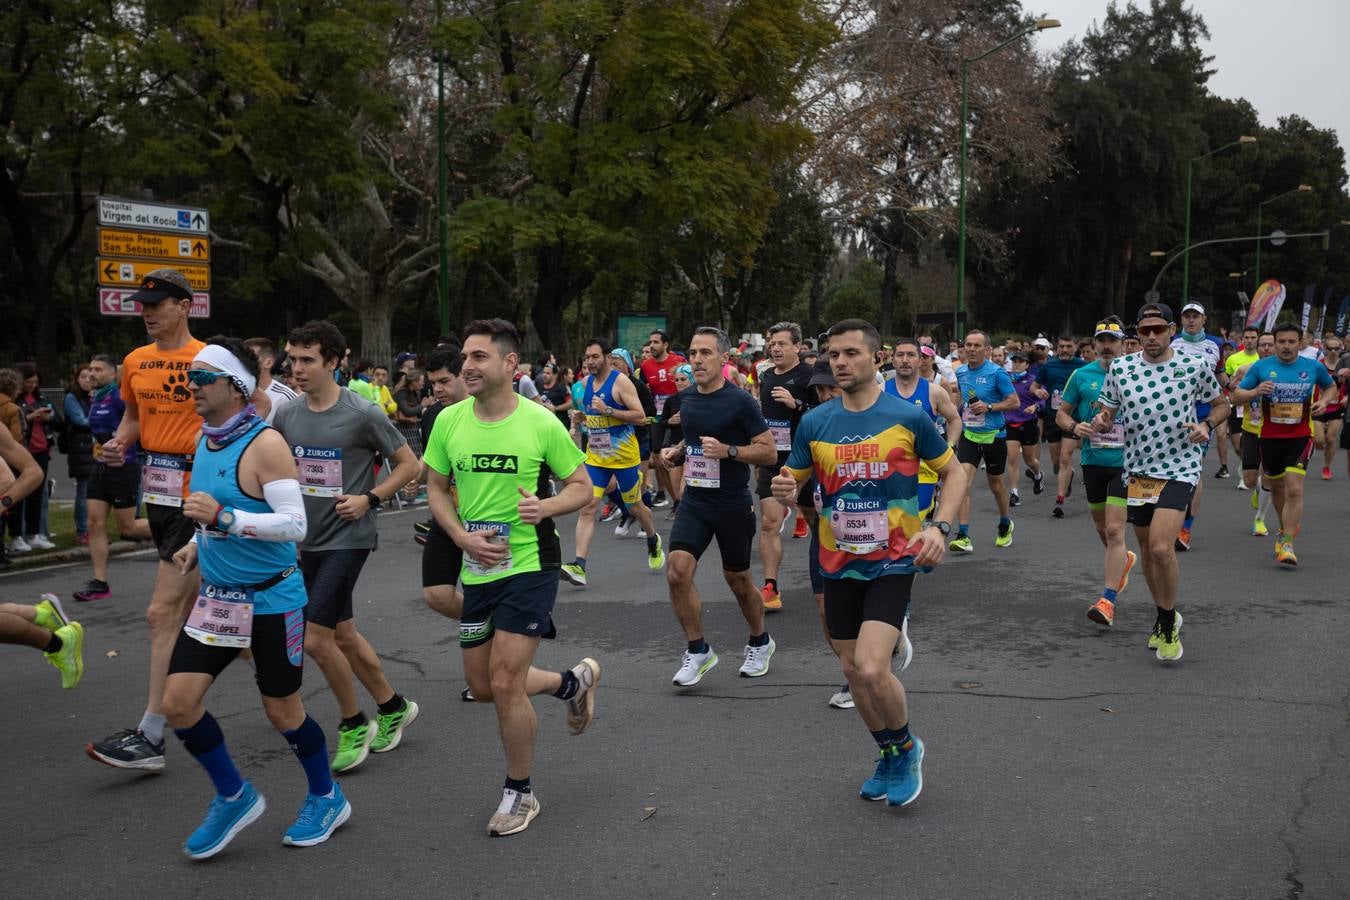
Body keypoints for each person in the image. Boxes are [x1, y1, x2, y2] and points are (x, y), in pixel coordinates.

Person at [163, 337, 349, 858]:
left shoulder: (264, 444)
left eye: (202, 378)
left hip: (271, 601)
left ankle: (327, 796)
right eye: (190, 377)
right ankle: (233, 795)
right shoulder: (207, 439)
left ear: (235, 386)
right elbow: (213, 511)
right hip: (219, 602)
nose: (190, 386)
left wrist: (223, 520)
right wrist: (198, 545)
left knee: (283, 712)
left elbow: (295, 525)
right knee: (178, 704)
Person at [772, 318, 967, 807]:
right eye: (833, 354)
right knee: (852, 671)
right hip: (836, 560)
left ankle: (907, 747)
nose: (839, 362)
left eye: (851, 353)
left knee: (872, 666)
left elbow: (956, 473)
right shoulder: (816, 423)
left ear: (875, 358)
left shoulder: (906, 417)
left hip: (894, 559)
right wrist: (783, 487)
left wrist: (940, 527)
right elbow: (792, 477)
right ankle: (889, 752)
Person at [423, 318, 601, 836]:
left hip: (530, 564)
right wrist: (460, 538)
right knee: (482, 688)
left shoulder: (540, 422)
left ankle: (519, 793)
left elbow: (582, 487)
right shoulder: (449, 420)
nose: (467, 366)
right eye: (465, 358)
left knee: (504, 682)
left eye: (479, 357)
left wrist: (545, 506)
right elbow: (435, 487)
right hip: (477, 566)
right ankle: (571, 683)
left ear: (509, 365)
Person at [276, 320, 421, 773]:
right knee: (343, 634)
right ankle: (393, 705)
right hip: (307, 541)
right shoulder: (286, 415)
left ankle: (354, 721)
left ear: (334, 363)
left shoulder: (363, 414)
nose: (296, 369)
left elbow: (409, 465)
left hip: (349, 536)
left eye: (307, 360)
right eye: (292, 359)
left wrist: (369, 498)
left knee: (315, 639)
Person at [86, 268, 209, 771]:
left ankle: (151, 735)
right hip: (156, 493)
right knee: (223, 616)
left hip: (195, 497)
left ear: (185, 305)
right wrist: (120, 442)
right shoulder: (134, 362)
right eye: (143, 307)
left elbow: (239, 417)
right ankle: (287, 671)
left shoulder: (208, 360)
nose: (148, 314)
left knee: (162, 614)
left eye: (158, 306)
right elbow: (134, 418)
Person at [1091, 303, 1226, 661]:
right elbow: (1107, 410)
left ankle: (1167, 623)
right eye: (1145, 331)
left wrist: (1206, 425)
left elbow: (1222, 404)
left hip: (1180, 466)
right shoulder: (1121, 368)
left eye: (1158, 330)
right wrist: (1103, 422)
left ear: (1170, 330)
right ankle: (1165, 612)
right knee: (1149, 552)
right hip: (1137, 469)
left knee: (1163, 547)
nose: (1151, 337)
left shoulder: (1194, 365)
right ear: (1138, 333)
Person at [653, 327, 777, 686]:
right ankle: (697, 650)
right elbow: (693, 444)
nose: (697, 360)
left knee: (737, 580)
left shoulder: (741, 401)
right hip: (695, 500)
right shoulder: (687, 399)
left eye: (705, 353)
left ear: (724, 359)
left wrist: (729, 451)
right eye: (693, 353)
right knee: (677, 572)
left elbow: (767, 451)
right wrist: (676, 454)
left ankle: (760, 640)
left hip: (732, 503)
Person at [559, 338, 664, 587]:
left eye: (595, 357)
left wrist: (609, 410)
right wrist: (581, 417)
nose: (590, 362)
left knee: (636, 507)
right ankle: (579, 566)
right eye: (587, 357)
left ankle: (652, 539)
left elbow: (640, 416)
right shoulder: (584, 384)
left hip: (624, 457)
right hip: (596, 457)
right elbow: (590, 418)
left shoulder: (621, 382)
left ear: (607, 357)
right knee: (588, 507)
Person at [1055, 319, 1138, 626]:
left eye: (1112, 341)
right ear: (1094, 344)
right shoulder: (1081, 375)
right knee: (1104, 530)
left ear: (1123, 344)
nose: (1106, 346)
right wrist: (1075, 426)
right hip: (1093, 461)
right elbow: (1062, 412)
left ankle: (1107, 600)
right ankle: (1123, 561)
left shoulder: (1136, 373)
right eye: (1101, 341)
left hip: (1127, 463)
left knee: (1116, 530)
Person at [1231, 324, 1336, 566]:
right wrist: (1256, 390)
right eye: (1282, 342)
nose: (1286, 346)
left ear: (1300, 343)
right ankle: (1282, 528)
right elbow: (1236, 396)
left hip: (1301, 436)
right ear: (1274, 343)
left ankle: (1288, 542)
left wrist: (1325, 400)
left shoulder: (1312, 367)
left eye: (1291, 342)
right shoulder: (1261, 367)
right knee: (1277, 488)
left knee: (1295, 488)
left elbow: (1330, 387)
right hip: (1269, 438)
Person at [73, 354, 152, 602]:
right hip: (101, 467)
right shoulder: (97, 397)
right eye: (90, 369)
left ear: (111, 373)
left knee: (128, 528)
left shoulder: (119, 397)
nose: (92, 374)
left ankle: (177, 524)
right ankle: (100, 582)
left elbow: (141, 423)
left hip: (123, 466)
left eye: (98, 369)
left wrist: (122, 443)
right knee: (95, 524)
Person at [755, 322, 815, 612]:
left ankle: (830, 576)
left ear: (797, 347)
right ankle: (771, 587)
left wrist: (797, 405)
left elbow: (825, 413)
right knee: (769, 523)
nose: (775, 348)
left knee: (817, 522)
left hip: (803, 460)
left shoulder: (810, 375)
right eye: (772, 343)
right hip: (772, 460)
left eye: (781, 344)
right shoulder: (766, 374)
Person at [950, 330, 1018, 552]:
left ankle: (1005, 523)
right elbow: (962, 400)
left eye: (976, 345)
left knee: (996, 486)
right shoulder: (960, 372)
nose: (970, 349)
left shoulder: (997, 373)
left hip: (994, 436)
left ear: (987, 350)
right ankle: (963, 535)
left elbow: (1014, 402)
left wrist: (989, 407)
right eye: (968, 345)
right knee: (963, 483)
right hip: (969, 435)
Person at [1169, 302, 1227, 549]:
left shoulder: (1215, 344)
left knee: (1193, 471)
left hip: (1202, 415)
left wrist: (1238, 388)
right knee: (1170, 470)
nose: (1191, 320)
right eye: (1187, 316)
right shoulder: (1171, 344)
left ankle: (1185, 528)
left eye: (1196, 316)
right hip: (1171, 415)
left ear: (1204, 319)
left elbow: (1220, 376)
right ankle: (1166, 520)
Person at [885, 339, 961, 519]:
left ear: (920, 360)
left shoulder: (934, 392)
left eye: (911, 355)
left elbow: (955, 419)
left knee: (913, 521)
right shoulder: (880, 391)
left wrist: (949, 447)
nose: (905, 360)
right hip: (888, 469)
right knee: (891, 525)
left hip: (924, 469)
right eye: (900, 355)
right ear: (893, 360)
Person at [1030, 336, 1087, 517]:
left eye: (1068, 346)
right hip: (1053, 416)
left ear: (1075, 347)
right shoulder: (1049, 366)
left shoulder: (1083, 366)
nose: (1064, 350)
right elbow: (1034, 386)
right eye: (1061, 346)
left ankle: (1059, 500)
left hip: (1073, 418)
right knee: (1056, 461)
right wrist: (1038, 391)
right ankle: (1067, 474)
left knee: (1065, 456)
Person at [9, 362, 59, 551]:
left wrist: (49, 417)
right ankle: (16, 535)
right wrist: (30, 417)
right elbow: (12, 421)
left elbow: (59, 420)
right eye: (28, 381)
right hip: (22, 451)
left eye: (35, 382)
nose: (32, 385)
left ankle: (34, 533)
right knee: (19, 493)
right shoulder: (14, 400)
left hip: (41, 449)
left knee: (37, 493)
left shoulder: (40, 397)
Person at [1232, 332, 1276, 535]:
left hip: (1275, 432)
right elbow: (1235, 395)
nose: (1266, 349)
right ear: (1257, 348)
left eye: (1270, 345)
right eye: (1263, 345)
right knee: (1250, 480)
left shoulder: (1286, 371)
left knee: (1268, 475)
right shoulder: (1246, 369)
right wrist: (1252, 391)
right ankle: (1259, 489)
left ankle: (1260, 519)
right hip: (1250, 429)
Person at [640, 330, 686, 508]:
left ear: (665, 345)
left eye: (656, 342)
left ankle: (680, 500)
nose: (652, 346)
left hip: (677, 417)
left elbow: (689, 384)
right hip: (658, 420)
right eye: (650, 342)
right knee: (658, 460)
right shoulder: (646, 366)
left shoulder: (678, 362)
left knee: (673, 457)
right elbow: (644, 392)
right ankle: (674, 499)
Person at [1003, 352, 1043, 508]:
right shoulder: (1006, 380)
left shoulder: (1033, 381)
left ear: (1027, 364)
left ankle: (1038, 474)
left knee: (1029, 460)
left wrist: (1036, 406)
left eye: (1021, 362)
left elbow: (1043, 399)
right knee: (1012, 458)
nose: (1017, 364)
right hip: (1010, 423)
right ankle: (1014, 493)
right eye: (1014, 361)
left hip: (1028, 424)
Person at [63, 364, 97, 544]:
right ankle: (82, 531)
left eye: (90, 377)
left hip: (94, 449)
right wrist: (100, 416)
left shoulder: (94, 397)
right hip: (80, 449)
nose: (87, 380)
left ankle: (94, 530)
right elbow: (81, 420)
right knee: (83, 491)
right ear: (76, 379)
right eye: (83, 377)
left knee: (95, 493)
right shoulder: (71, 397)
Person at [1223, 327, 1261, 477]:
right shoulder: (1233, 359)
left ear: (1257, 339)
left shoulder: (1262, 358)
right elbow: (1227, 381)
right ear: (1242, 339)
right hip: (1237, 404)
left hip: (1256, 406)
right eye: (1247, 337)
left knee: (1255, 440)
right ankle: (1245, 462)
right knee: (1238, 445)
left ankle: (1253, 468)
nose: (1250, 340)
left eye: (1253, 337)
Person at [243, 337, 299, 424]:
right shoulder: (235, 394)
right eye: (241, 359)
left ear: (268, 363)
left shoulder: (286, 398)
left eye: (250, 359)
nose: (243, 363)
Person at [1313, 334, 1344, 479]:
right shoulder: (1319, 365)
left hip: (1337, 407)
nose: (1333, 351)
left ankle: (1327, 467)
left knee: (1331, 439)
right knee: (1319, 440)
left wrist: (1346, 397)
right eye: (1330, 348)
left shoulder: (1344, 365)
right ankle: (1320, 434)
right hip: (1319, 406)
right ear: (1325, 348)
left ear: (1340, 348)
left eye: (1336, 349)